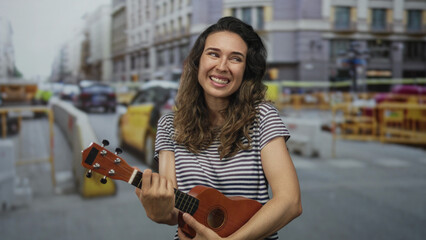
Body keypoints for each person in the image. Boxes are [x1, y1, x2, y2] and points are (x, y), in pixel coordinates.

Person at [135, 16, 302, 240]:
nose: (222, 67)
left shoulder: (262, 117)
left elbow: (290, 202)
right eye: (213, 54)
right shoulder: (168, 125)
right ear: (198, 61)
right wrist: (159, 212)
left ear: (246, 70)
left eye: (235, 58)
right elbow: (174, 211)